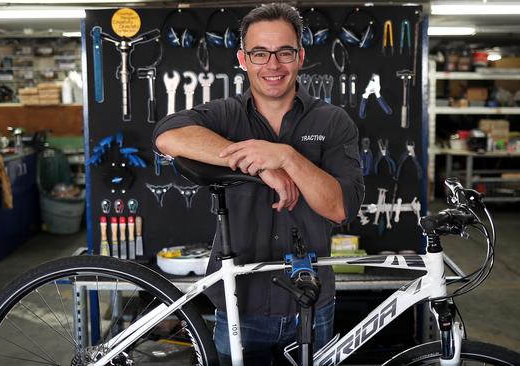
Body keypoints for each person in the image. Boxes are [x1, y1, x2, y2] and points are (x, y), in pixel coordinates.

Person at [153, 3, 364, 364]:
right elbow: (167, 137)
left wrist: (286, 157)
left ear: (300, 56)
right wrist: (260, 167)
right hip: (239, 302)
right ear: (243, 58)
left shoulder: (333, 121)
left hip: (310, 303)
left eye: (283, 52)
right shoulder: (224, 115)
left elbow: (340, 208)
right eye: (260, 53)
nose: (272, 65)